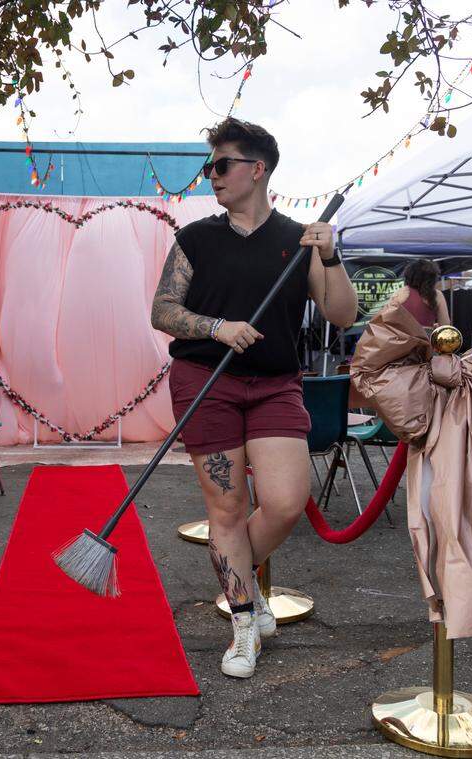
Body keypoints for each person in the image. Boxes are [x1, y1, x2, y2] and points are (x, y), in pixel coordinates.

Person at [151, 118, 357, 678]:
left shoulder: (301, 240)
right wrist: (217, 327)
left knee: (287, 502)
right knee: (226, 509)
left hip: (274, 384)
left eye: (221, 165)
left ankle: (238, 576)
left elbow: (342, 314)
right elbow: (163, 311)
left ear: (257, 169)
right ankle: (244, 622)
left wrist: (331, 256)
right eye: (209, 167)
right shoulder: (196, 238)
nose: (212, 176)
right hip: (206, 380)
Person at [388, 258, 451, 329]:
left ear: (409, 275)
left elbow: (389, 320)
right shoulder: (437, 295)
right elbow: (445, 324)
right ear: (432, 278)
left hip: (402, 335)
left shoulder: (399, 293)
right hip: (426, 335)